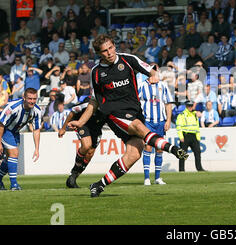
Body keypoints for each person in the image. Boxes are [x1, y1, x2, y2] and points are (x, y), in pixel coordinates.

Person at [67, 34, 188, 197]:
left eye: (111, 48)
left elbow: (152, 71)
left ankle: (98, 185)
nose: (109, 52)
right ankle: (172, 149)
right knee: (139, 128)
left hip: (135, 112)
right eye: (104, 50)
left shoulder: (128, 60)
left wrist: (153, 76)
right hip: (114, 114)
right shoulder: (96, 72)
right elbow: (94, 101)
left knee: (134, 154)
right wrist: (81, 121)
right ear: (99, 54)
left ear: (114, 46)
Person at [0, 88, 42, 190]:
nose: (32, 101)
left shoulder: (37, 111)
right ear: (24, 98)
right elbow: (1, 124)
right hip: (4, 128)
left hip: (15, 131)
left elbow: (36, 130)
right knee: (14, 153)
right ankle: (14, 184)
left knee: (9, 158)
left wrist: (37, 148)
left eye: (34, 99)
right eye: (30, 98)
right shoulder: (13, 107)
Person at [59, 97, 107, 188]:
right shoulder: (86, 105)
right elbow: (72, 113)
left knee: (89, 154)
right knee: (86, 145)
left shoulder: (108, 108)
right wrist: (63, 128)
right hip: (82, 124)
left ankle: (73, 177)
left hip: (96, 129)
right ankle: (73, 173)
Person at [138, 72, 174, 186]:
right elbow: (135, 102)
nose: (156, 76)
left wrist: (168, 120)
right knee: (147, 147)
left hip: (160, 122)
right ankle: (147, 178)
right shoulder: (142, 86)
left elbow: (168, 103)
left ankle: (157, 177)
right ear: (149, 74)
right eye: (154, 74)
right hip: (147, 121)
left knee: (159, 148)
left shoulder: (163, 85)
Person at [176, 101, 204, 172]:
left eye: (191, 106)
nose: (190, 107)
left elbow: (197, 127)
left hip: (194, 136)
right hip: (185, 135)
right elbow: (179, 126)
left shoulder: (194, 115)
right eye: (189, 106)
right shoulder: (182, 115)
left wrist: (198, 137)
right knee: (183, 154)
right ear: (186, 106)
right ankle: (181, 170)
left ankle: (199, 168)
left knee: (197, 152)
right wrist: (181, 136)